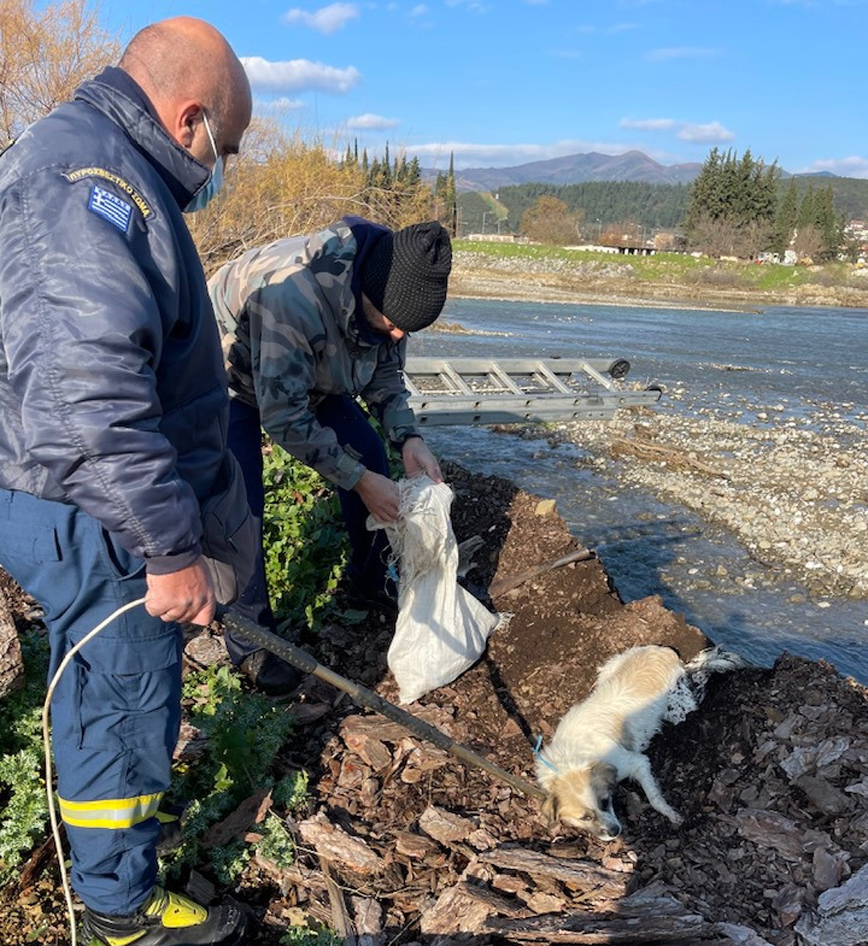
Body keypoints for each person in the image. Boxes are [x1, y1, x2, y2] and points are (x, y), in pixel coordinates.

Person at [0, 17, 253, 946]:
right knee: (124, 699)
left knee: (103, 690)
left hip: (76, 497)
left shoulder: (94, 162)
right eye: (224, 147)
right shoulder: (95, 184)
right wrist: (171, 548)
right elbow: (90, 389)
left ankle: (109, 869)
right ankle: (118, 914)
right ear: (188, 119)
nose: (220, 167)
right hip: (94, 510)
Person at [208, 216, 452, 694]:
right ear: (365, 293)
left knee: (367, 451)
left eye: (408, 329)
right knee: (238, 505)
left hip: (312, 365)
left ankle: (370, 575)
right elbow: (283, 417)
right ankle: (253, 639)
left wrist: (407, 438)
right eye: (393, 324)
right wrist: (357, 480)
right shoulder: (290, 296)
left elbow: (384, 371)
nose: (400, 336)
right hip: (225, 372)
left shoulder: (392, 289)